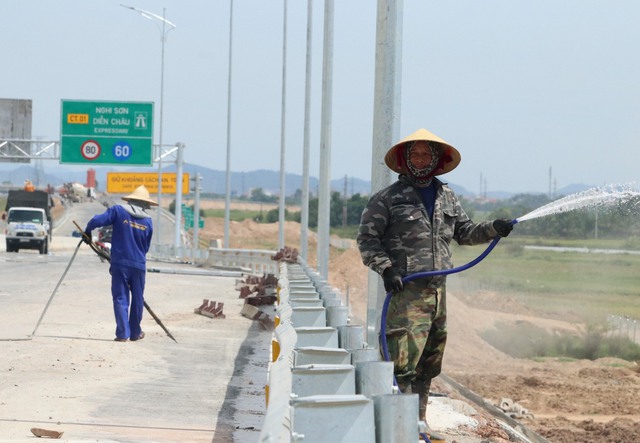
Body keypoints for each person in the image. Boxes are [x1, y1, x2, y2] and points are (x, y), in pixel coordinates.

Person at [357, 128, 513, 438]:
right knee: (400, 363)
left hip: (438, 293)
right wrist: (386, 269)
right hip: (406, 293)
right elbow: (367, 239)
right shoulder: (388, 199)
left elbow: (466, 232)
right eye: (414, 154)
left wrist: (494, 228)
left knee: (428, 363)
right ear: (406, 159)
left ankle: (418, 422)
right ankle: (393, 427)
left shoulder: (447, 196)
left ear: (436, 160)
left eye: (426, 154)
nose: (420, 159)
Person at [83, 185, 157, 342]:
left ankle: (123, 334)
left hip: (120, 264)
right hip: (138, 265)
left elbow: (97, 220)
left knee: (121, 298)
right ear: (145, 204)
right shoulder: (148, 221)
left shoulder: (118, 211)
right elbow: (146, 246)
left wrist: (88, 231)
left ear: (130, 200)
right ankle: (135, 332)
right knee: (138, 298)